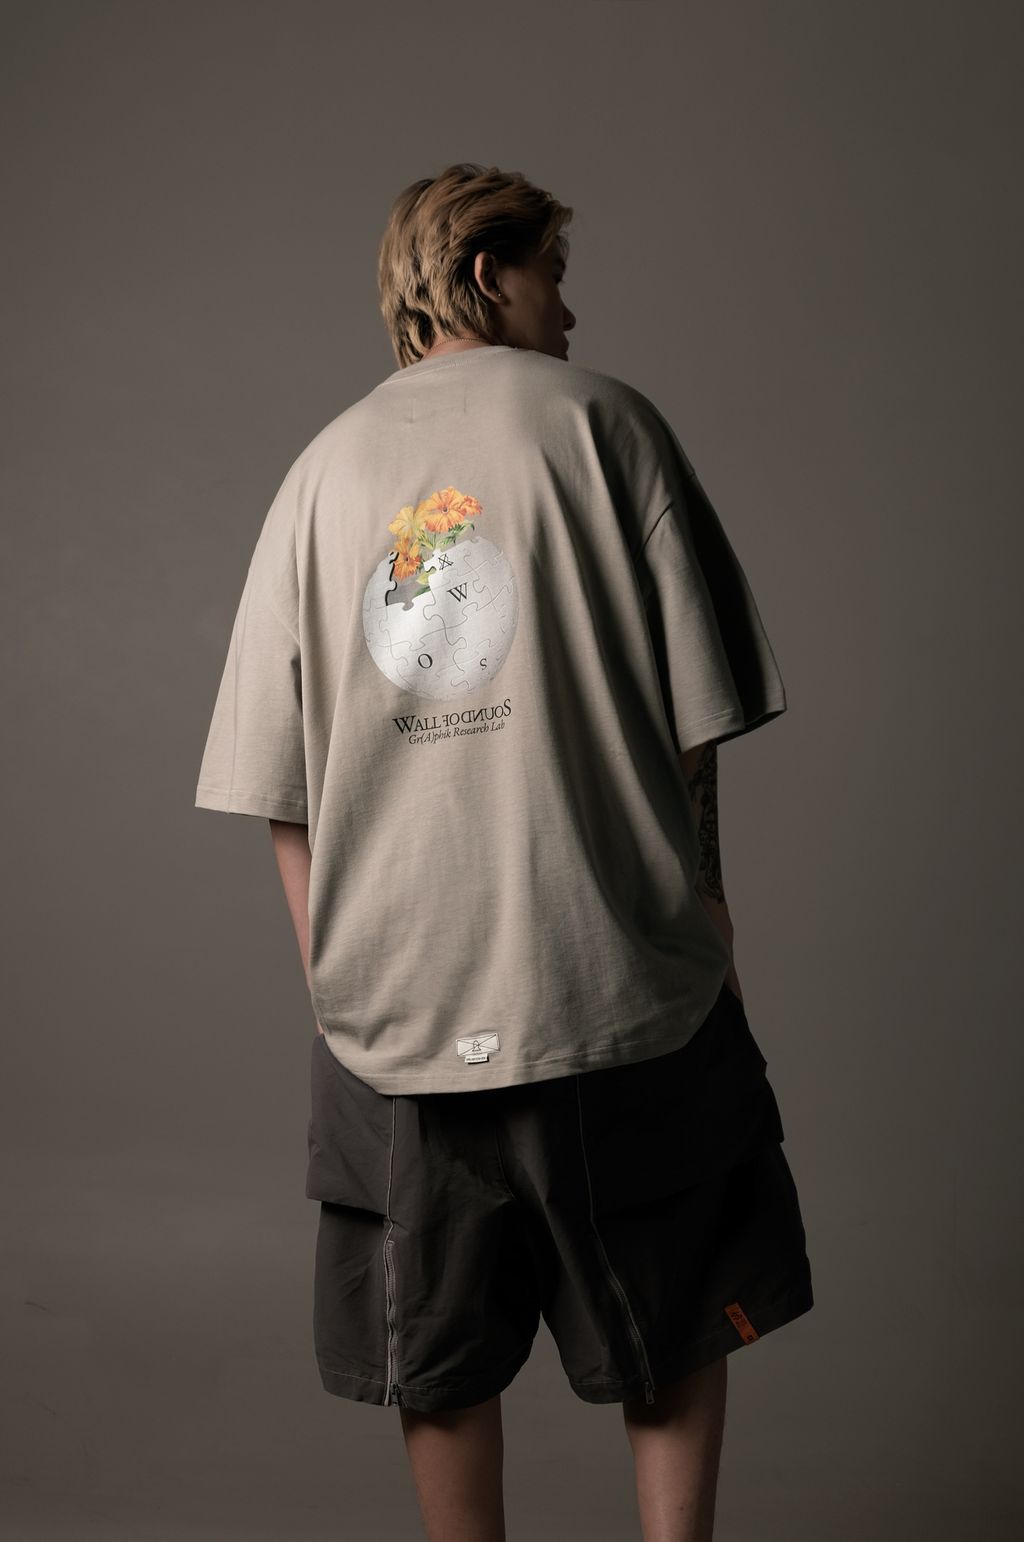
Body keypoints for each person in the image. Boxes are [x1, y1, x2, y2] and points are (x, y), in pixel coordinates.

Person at [194, 161, 814, 1542]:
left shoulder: (315, 477)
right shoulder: (606, 426)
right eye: (553, 276)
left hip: (393, 1013)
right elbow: (695, 730)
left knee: (441, 1353)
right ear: (489, 273)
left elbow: (280, 792)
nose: (569, 313)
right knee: (672, 1316)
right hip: (617, 980)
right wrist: (708, 911)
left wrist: (338, 984)